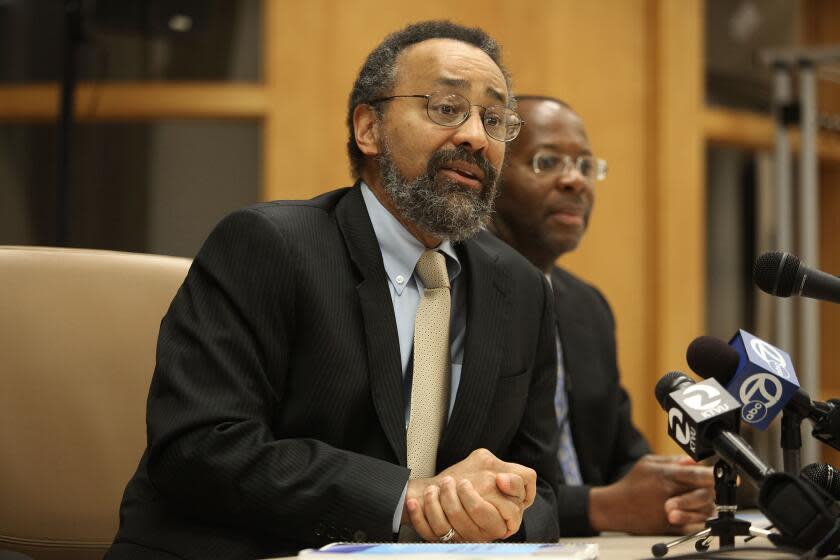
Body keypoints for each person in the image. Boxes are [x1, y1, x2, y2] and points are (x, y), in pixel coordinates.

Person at [106, 22, 560, 560]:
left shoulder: (522, 287)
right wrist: (405, 498)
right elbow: (200, 446)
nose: (474, 137)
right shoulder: (268, 245)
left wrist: (498, 504)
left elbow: (546, 491)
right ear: (369, 128)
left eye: (493, 119)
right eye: (445, 108)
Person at [488, 96, 716, 536]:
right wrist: (598, 507)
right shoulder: (458, 294)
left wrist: (680, 486)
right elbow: (459, 470)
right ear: (492, 176)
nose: (575, 181)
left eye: (586, 166)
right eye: (547, 161)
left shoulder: (586, 307)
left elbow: (619, 452)